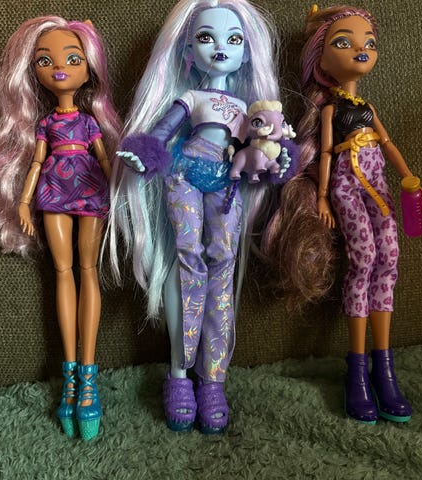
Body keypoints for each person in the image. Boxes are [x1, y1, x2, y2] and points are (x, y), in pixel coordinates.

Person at [107, 0, 295, 433]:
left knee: (222, 266)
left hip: (227, 185)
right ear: (188, 51)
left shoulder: (248, 107)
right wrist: (145, 154)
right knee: (187, 260)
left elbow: (263, 146)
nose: (221, 48)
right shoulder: (191, 97)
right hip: (185, 175)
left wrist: (279, 158)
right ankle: (179, 374)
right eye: (207, 37)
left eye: (234, 39)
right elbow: (161, 132)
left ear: (246, 54)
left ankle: (212, 380)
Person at [264, 5, 422, 425]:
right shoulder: (331, 112)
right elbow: (324, 156)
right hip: (346, 185)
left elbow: (388, 146)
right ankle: (357, 371)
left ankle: (383, 367)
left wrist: (409, 178)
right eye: (344, 42)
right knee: (364, 259)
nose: (360, 49)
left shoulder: (368, 107)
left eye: (368, 43)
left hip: (379, 183)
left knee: (389, 258)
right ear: (320, 59)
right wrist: (321, 197)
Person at [0, 16, 122, 440]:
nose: (59, 68)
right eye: (46, 61)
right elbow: (37, 162)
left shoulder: (90, 122)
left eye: (72, 59)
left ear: (89, 68)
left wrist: (120, 194)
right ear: (33, 72)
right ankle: (70, 377)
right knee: (63, 272)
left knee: (87, 270)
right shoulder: (46, 125)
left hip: (91, 190)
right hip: (54, 192)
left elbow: (104, 160)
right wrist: (22, 201)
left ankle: (89, 377)